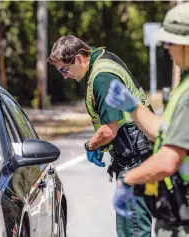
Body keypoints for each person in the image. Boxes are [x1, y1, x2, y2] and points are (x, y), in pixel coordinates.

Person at [48, 35, 154, 237]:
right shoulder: (101, 60)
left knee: (134, 229)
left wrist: (91, 146)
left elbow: (108, 130)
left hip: (135, 159)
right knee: (131, 227)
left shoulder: (102, 77)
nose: (64, 75)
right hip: (135, 156)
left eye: (64, 69)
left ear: (79, 58)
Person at [105, 3, 189, 236]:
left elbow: (168, 161)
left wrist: (128, 180)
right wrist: (133, 108)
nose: (166, 46)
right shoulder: (185, 84)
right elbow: (165, 132)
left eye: (171, 41)